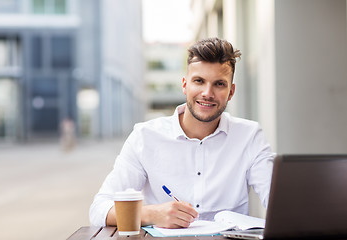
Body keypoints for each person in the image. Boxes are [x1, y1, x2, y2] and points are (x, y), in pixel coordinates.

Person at [89, 37, 275, 229]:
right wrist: (151, 214)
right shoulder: (144, 137)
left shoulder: (250, 136)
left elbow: (279, 202)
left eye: (219, 84)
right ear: (185, 85)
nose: (207, 93)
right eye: (199, 81)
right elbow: (99, 209)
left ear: (231, 91)